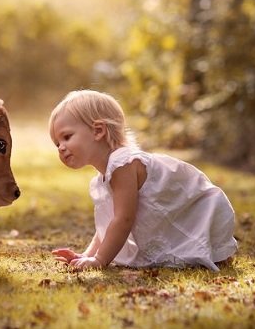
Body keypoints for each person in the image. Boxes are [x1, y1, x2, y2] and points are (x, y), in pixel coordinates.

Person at [49, 90, 237, 271]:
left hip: (197, 210)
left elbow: (124, 219)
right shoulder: (105, 175)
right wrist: (87, 256)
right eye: (57, 143)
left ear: (98, 131)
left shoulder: (123, 164)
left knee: (193, 246)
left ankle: (214, 250)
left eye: (67, 137)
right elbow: (108, 224)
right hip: (175, 214)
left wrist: (99, 259)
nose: (61, 147)